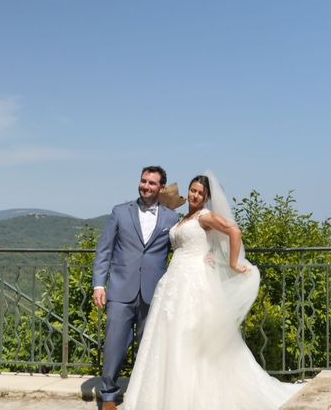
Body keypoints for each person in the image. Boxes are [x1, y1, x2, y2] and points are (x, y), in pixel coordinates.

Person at [123, 172, 303, 410]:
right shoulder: (185, 218)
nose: (194, 195)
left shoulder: (205, 216)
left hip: (193, 282)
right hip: (174, 282)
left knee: (189, 335)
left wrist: (232, 263)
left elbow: (232, 230)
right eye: (192, 190)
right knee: (170, 336)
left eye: (199, 192)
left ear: (207, 197)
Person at [92, 166, 181, 410]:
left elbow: (182, 249)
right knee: (114, 344)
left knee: (148, 347)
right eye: (143, 181)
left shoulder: (171, 218)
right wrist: (99, 284)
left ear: (161, 187)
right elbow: (104, 250)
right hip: (120, 290)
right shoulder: (119, 212)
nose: (146, 186)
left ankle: (141, 395)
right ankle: (109, 396)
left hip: (154, 293)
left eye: (152, 183)